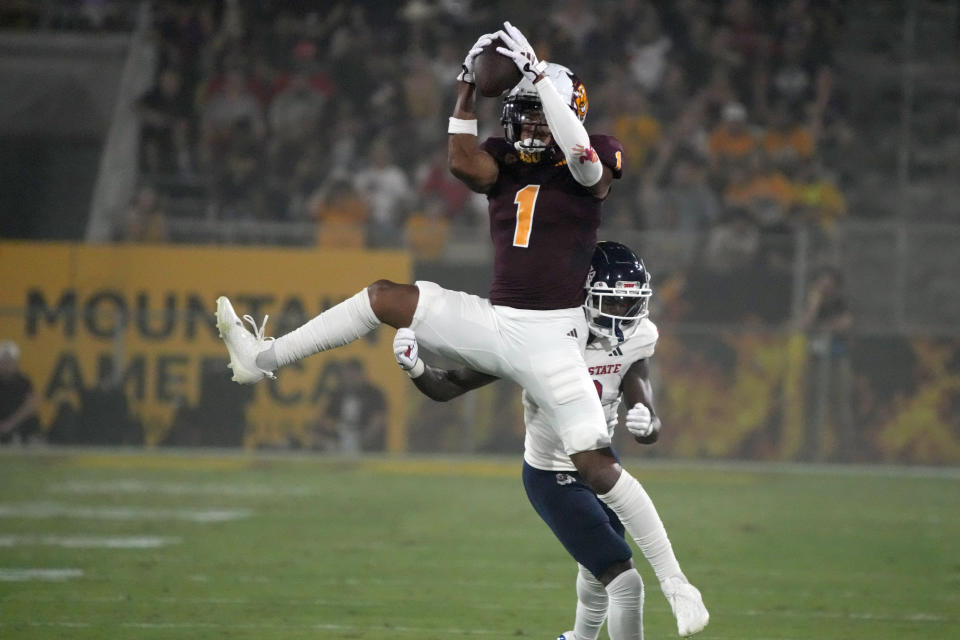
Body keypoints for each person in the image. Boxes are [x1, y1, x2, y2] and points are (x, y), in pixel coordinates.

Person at [215, 23, 705, 639]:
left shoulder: (592, 153)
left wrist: (536, 76)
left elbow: (582, 162)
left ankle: (676, 582)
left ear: (563, 114)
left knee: (597, 465)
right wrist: (468, 87)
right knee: (384, 297)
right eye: (518, 115)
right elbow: (458, 158)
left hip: (556, 335)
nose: (524, 127)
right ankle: (263, 357)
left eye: (534, 116)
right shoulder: (503, 160)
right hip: (498, 322)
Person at [392, 242, 708, 639]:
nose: (622, 316)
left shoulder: (637, 338)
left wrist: (649, 423)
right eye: (612, 304)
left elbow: (644, 407)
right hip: (553, 476)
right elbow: (444, 388)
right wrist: (417, 367)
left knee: (597, 576)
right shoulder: (541, 334)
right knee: (625, 583)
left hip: (600, 468)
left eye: (630, 304)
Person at [0, 340, 41, 446]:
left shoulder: (24, 382)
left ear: (16, 363)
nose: (7, 365)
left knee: (32, 419)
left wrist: (11, 424)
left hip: (17, 421)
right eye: (4, 361)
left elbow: (32, 404)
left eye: (10, 361)